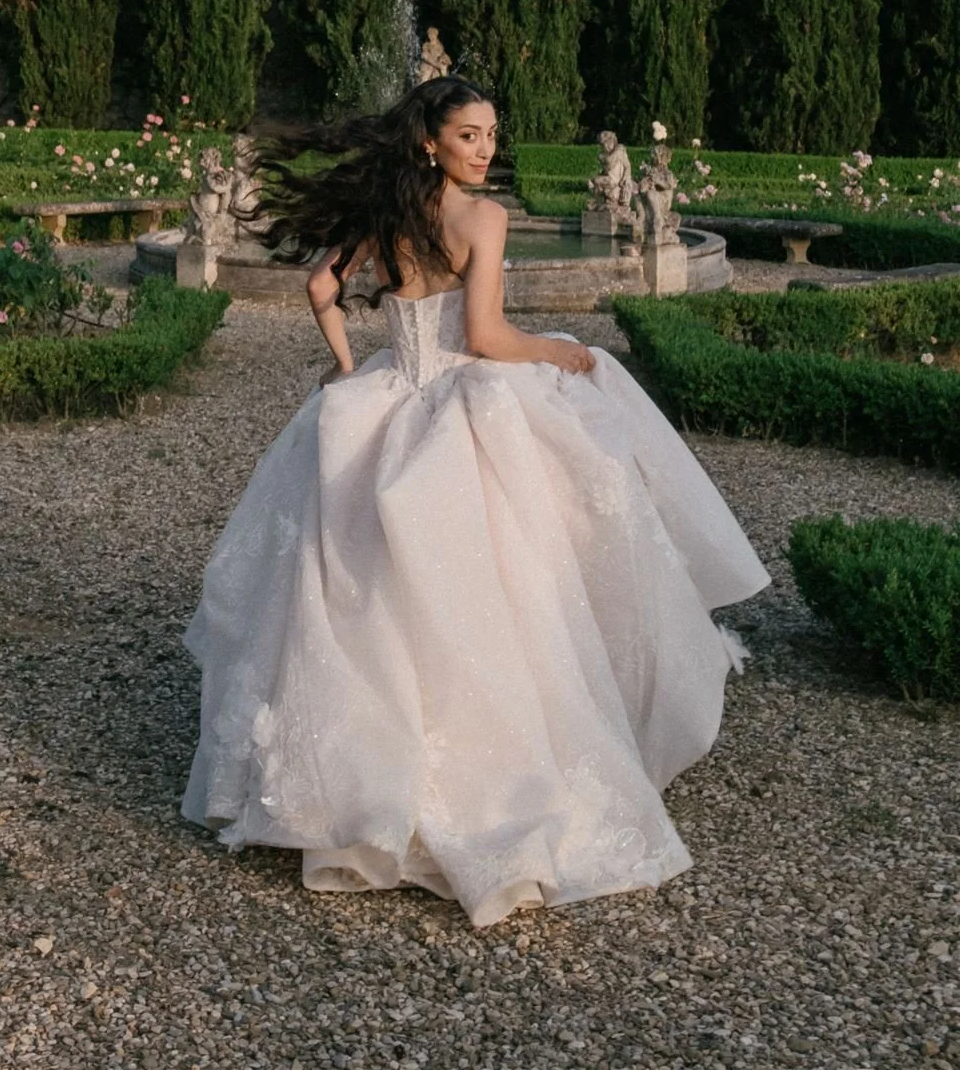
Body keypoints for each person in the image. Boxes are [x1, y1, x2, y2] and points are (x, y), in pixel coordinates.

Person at [181, 77, 770, 928]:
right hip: (463, 402)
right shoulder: (481, 219)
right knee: (508, 581)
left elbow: (318, 289)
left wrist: (349, 369)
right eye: (468, 135)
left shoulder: (384, 211)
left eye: (491, 132)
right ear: (431, 141)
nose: (485, 148)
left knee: (363, 593)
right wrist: (558, 358)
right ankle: (493, 778)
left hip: (387, 397)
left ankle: (354, 786)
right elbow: (488, 337)